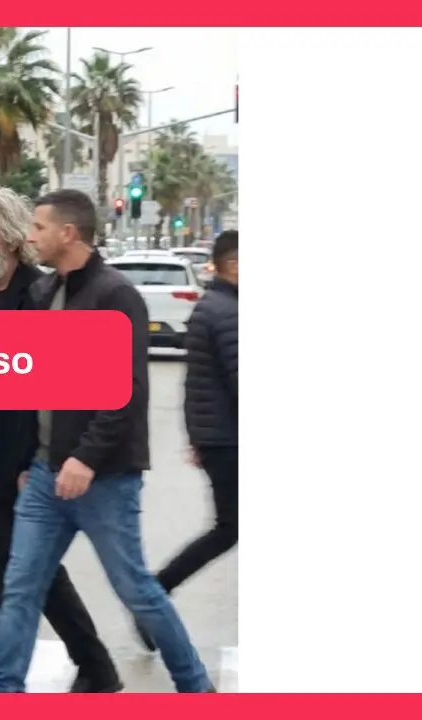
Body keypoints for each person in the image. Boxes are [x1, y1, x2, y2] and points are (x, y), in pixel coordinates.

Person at [0, 189, 216, 694]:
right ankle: (3, 691)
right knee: (20, 588)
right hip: (44, 477)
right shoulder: (44, 293)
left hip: (104, 479)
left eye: (39, 227)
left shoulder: (114, 295)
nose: (31, 237)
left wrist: (85, 459)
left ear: (68, 233)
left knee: (136, 590)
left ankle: (197, 687)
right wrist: (28, 460)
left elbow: (125, 391)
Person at [0, 185, 122, 694]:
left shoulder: (38, 298)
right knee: (39, 571)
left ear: (11, 238)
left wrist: (42, 459)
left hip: (28, 464)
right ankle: (97, 667)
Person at [134, 230, 239, 651]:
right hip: (229, 439)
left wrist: (198, 435)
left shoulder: (215, 306)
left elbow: (197, 382)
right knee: (229, 528)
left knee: (229, 528)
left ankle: (154, 596)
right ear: (234, 265)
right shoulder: (227, 312)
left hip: (220, 436)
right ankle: (154, 597)